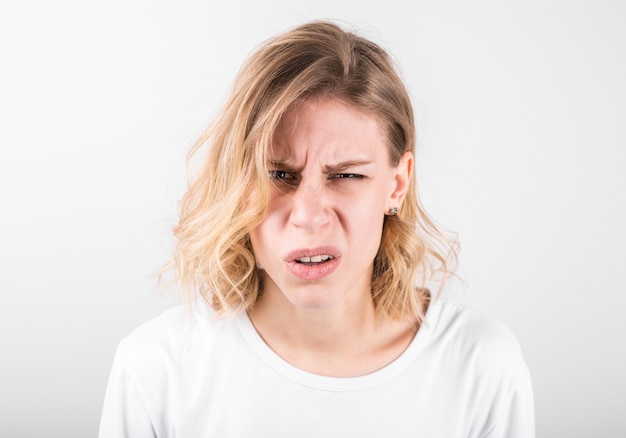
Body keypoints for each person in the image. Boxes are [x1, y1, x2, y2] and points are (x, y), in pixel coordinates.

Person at [98, 21, 535, 437]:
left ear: (396, 185)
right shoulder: (156, 370)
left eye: (346, 176)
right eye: (279, 175)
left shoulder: (480, 367)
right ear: (238, 182)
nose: (308, 215)